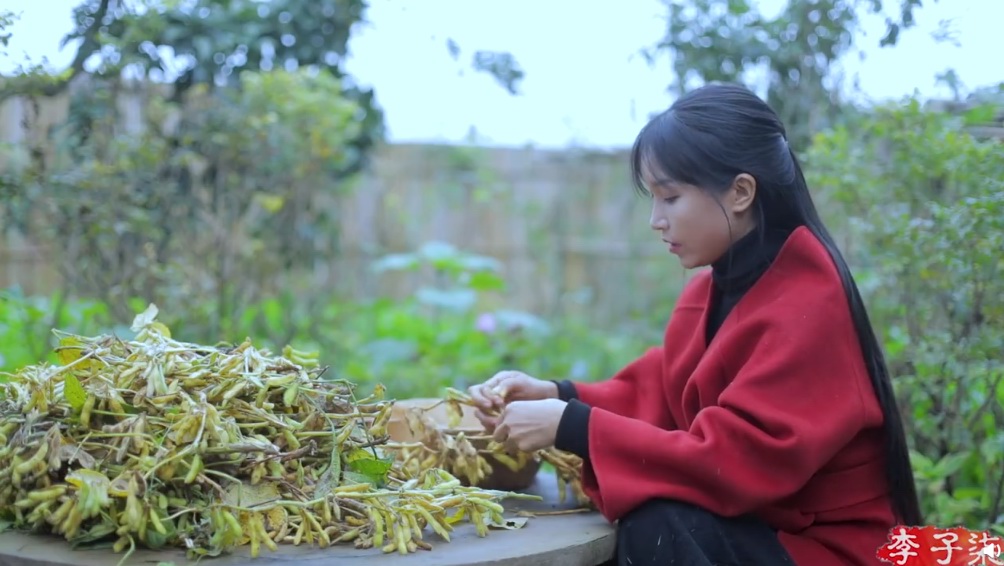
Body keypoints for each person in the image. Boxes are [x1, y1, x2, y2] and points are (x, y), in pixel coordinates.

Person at [467, 82, 922, 566]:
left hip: (833, 547)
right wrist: (559, 396)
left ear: (741, 192)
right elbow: (665, 395)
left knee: (660, 526)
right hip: (770, 527)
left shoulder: (810, 301)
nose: (655, 220)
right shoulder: (714, 288)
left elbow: (738, 459)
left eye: (670, 198)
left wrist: (574, 426)